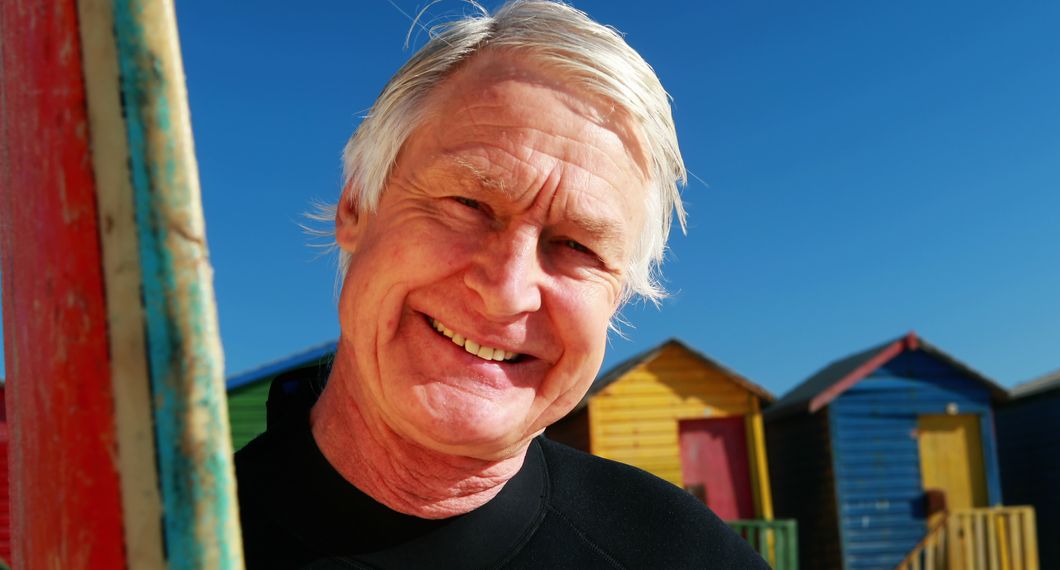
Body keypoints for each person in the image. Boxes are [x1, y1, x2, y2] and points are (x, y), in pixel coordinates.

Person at [234, 1, 769, 568]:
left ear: (619, 297)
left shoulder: (685, 557)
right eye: (468, 204)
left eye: (578, 247)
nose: (507, 289)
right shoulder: (160, 541)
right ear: (357, 204)